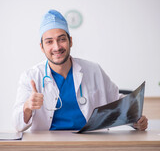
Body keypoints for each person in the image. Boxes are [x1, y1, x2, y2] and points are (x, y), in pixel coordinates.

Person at [13, 10, 148, 132]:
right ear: (42, 47)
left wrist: (135, 120)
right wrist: (27, 107)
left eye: (62, 39)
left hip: (90, 143)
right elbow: (17, 125)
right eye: (49, 42)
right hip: (48, 146)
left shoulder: (94, 70)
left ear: (70, 41)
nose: (57, 47)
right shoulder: (31, 76)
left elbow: (116, 102)